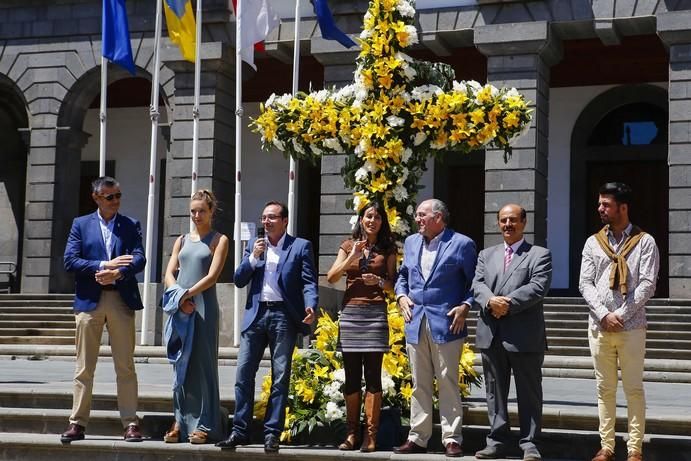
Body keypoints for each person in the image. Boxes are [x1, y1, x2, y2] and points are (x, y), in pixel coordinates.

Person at [216, 201, 318, 453]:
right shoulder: (254, 246)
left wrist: (311, 305)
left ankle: (272, 433)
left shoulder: (300, 246)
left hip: (283, 315)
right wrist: (252, 258)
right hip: (256, 315)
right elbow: (239, 280)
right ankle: (240, 431)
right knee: (243, 375)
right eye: (263, 217)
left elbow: (308, 281)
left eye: (272, 217)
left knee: (280, 377)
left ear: (284, 221)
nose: (266, 222)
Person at [60, 176, 145, 443]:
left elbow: (139, 257)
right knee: (84, 367)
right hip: (89, 301)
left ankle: (130, 423)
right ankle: (77, 423)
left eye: (118, 195)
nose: (116, 201)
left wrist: (118, 273)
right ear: (96, 198)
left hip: (120, 299)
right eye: (110, 197)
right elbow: (70, 260)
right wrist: (104, 266)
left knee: (125, 366)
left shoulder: (130, 225)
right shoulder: (81, 225)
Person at [579, 182, 659, 461]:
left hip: (632, 327)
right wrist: (603, 314)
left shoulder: (645, 242)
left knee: (634, 388)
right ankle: (607, 446)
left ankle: (635, 448)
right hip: (599, 326)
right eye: (600, 204)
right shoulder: (593, 242)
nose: (600, 209)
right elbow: (585, 283)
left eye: (606, 205)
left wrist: (621, 315)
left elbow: (648, 284)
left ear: (623, 208)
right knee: (604, 389)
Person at [393, 198, 476, 458]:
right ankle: (418, 437)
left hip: (448, 322)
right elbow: (403, 276)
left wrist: (466, 305)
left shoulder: (462, 244)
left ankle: (452, 438)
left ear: (438, 217)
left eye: (422, 215)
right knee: (419, 382)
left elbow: (475, 282)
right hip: (415, 320)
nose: (417, 219)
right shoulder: (410, 242)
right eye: (417, 215)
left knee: (448, 381)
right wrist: (401, 296)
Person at [472, 204, 553, 461]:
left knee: (529, 392)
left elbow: (538, 287)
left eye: (513, 220)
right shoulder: (486, 254)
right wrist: (490, 301)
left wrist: (505, 304)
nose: (508, 225)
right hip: (491, 332)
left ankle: (530, 443)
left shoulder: (539, 254)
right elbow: (477, 284)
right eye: (503, 220)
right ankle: (496, 440)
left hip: (524, 335)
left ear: (524, 223)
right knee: (494, 392)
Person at [326, 202, 397, 452]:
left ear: (382, 222)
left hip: (375, 314)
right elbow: (332, 277)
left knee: (374, 375)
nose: (372, 220)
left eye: (377, 217)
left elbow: (392, 284)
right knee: (352, 375)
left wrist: (378, 280)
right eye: (368, 216)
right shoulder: (348, 245)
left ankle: (371, 435)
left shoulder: (388, 248)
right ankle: (351, 433)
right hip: (351, 313)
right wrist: (352, 258)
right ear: (361, 219)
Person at [161, 190, 229, 444]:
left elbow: (212, 276)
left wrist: (187, 296)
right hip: (181, 306)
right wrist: (180, 299)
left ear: (211, 211)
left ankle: (205, 424)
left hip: (203, 308)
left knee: (203, 366)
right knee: (181, 365)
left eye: (202, 210)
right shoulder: (180, 239)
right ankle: (179, 421)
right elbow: (169, 273)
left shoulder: (219, 240)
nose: (197, 215)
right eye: (193, 211)